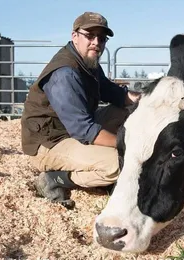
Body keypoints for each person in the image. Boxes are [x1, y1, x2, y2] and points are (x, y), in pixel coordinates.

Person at [21, 11, 140, 209]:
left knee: (131, 110)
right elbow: (84, 130)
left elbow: (111, 92)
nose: (96, 42)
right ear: (74, 36)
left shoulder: (87, 62)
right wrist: (126, 144)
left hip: (72, 129)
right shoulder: (64, 74)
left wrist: (143, 99)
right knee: (119, 165)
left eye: (101, 38)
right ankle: (55, 179)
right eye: (90, 35)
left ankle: (96, 162)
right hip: (50, 142)